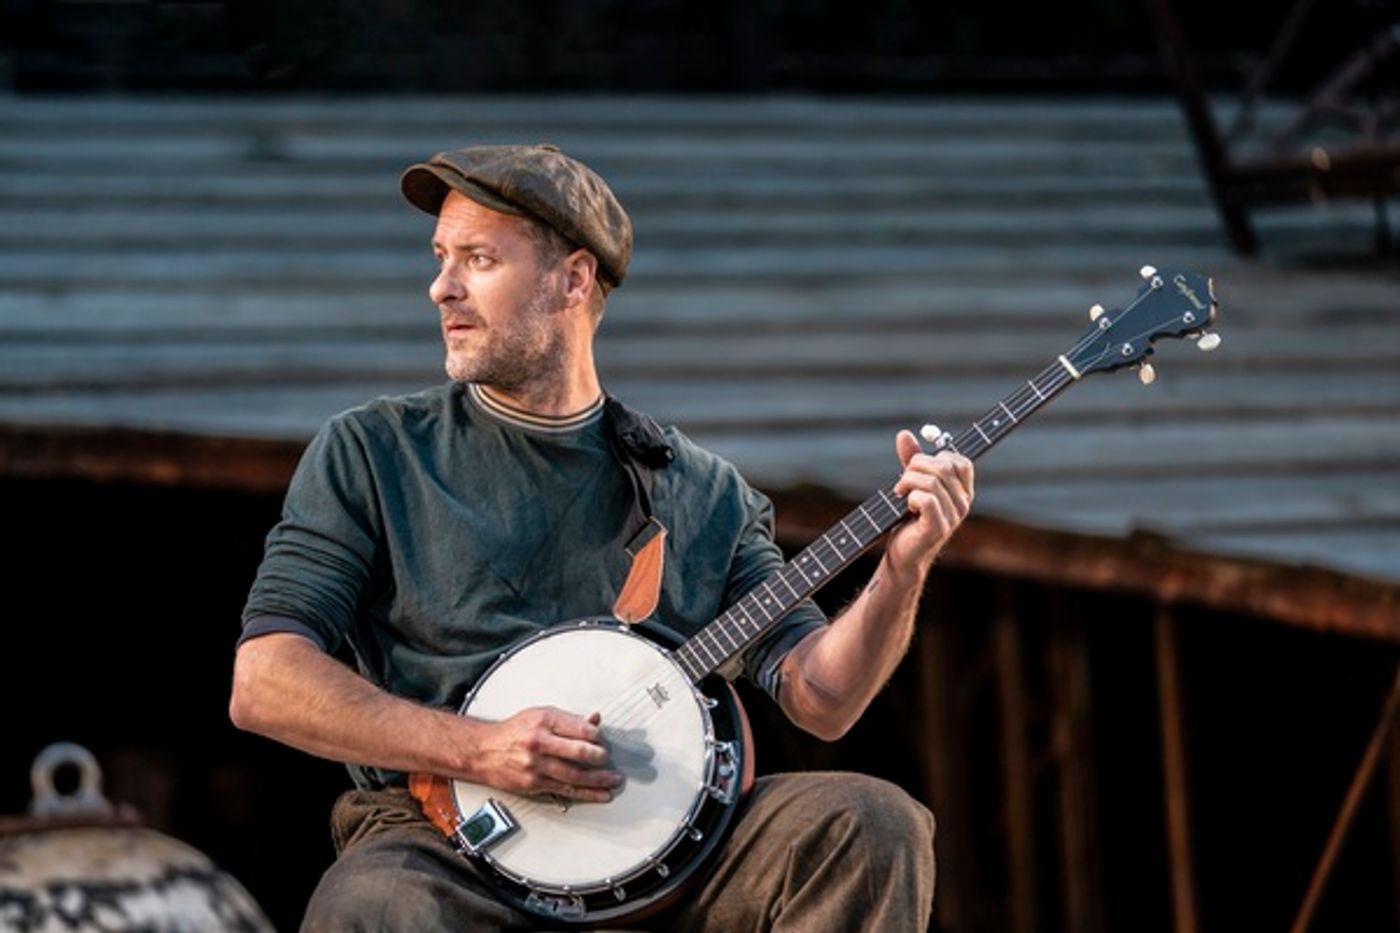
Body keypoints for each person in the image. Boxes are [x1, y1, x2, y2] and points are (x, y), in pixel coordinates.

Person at [229, 143, 975, 932]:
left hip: (673, 860)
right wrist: (479, 748)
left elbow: (821, 698)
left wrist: (903, 568)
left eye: (478, 259)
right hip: (441, 845)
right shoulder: (373, 451)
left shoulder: (704, 490)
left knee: (870, 819)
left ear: (574, 279)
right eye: (442, 257)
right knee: (373, 905)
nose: (441, 287)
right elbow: (265, 681)